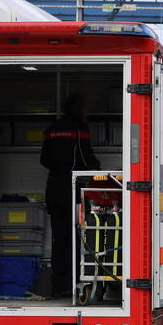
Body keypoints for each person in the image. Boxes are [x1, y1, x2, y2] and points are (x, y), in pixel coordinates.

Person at [40, 93, 100, 298]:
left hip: (54, 188)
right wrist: (98, 171)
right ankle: (73, 283)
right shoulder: (79, 129)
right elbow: (85, 157)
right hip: (71, 190)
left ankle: (58, 284)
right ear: (77, 109)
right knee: (76, 238)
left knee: (59, 239)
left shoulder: (51, 129)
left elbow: (44, 160)